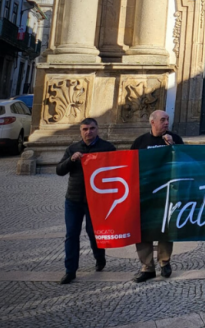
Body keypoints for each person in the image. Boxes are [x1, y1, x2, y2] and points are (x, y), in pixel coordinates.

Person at [55, 118, 115, 284]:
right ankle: (70, 270)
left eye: (92, 128)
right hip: (73, 199)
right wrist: (71, 160)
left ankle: (99, 257)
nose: (89, 132)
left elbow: (115, 171)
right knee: (71, 234)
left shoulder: (107, 148)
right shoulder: (73, 148)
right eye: (85, 129)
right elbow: (59, 170)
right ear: (80, 131)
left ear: (97, 129)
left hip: (96, 200)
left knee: (93, 233)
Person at [130, 110, 184, 282]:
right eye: (162, 120)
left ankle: (164, 261)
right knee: (142, 230)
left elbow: (184, 161)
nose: (166, 122)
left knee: (166, 228)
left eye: (167, 119)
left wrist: (173, 146)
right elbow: (131, 165)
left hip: (166, 193)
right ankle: (147, 267)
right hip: (145, 192)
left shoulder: (175, 139)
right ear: (152, 122)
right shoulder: (140, 142)